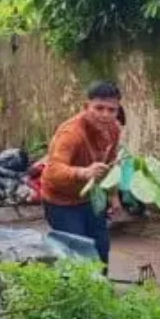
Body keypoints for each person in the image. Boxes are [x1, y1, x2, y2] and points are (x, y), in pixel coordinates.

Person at [41, 80, 122, 267]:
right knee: (78, 252)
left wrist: (113, 195)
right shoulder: (71, 133)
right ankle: (75, 293)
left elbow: (112, 164)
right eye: (99, 108)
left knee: (101, 247)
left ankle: (101, 292)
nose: (105, 115)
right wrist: (83, 172)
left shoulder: (114, 129)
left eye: (112, 110)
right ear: (86, 107)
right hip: (61, 201)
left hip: (91, 198)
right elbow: (52, 170)